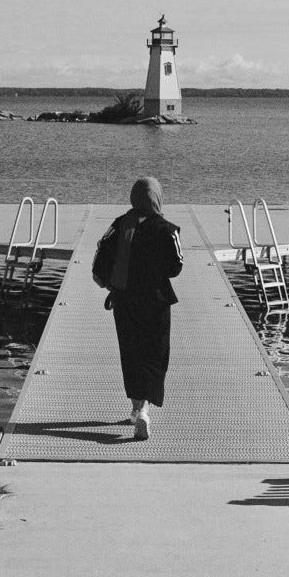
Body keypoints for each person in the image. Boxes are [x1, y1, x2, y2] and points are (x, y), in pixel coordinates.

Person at [92, 177, 183, 440]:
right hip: (156, 301)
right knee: (155, 353)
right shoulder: (167, 229)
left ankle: (137, 408)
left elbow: (102, 255)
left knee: (131, 353)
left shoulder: (120, 224)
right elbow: (175, 268)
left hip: (125, 300)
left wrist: (107, 281)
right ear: (157, 198)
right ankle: (144, 410)